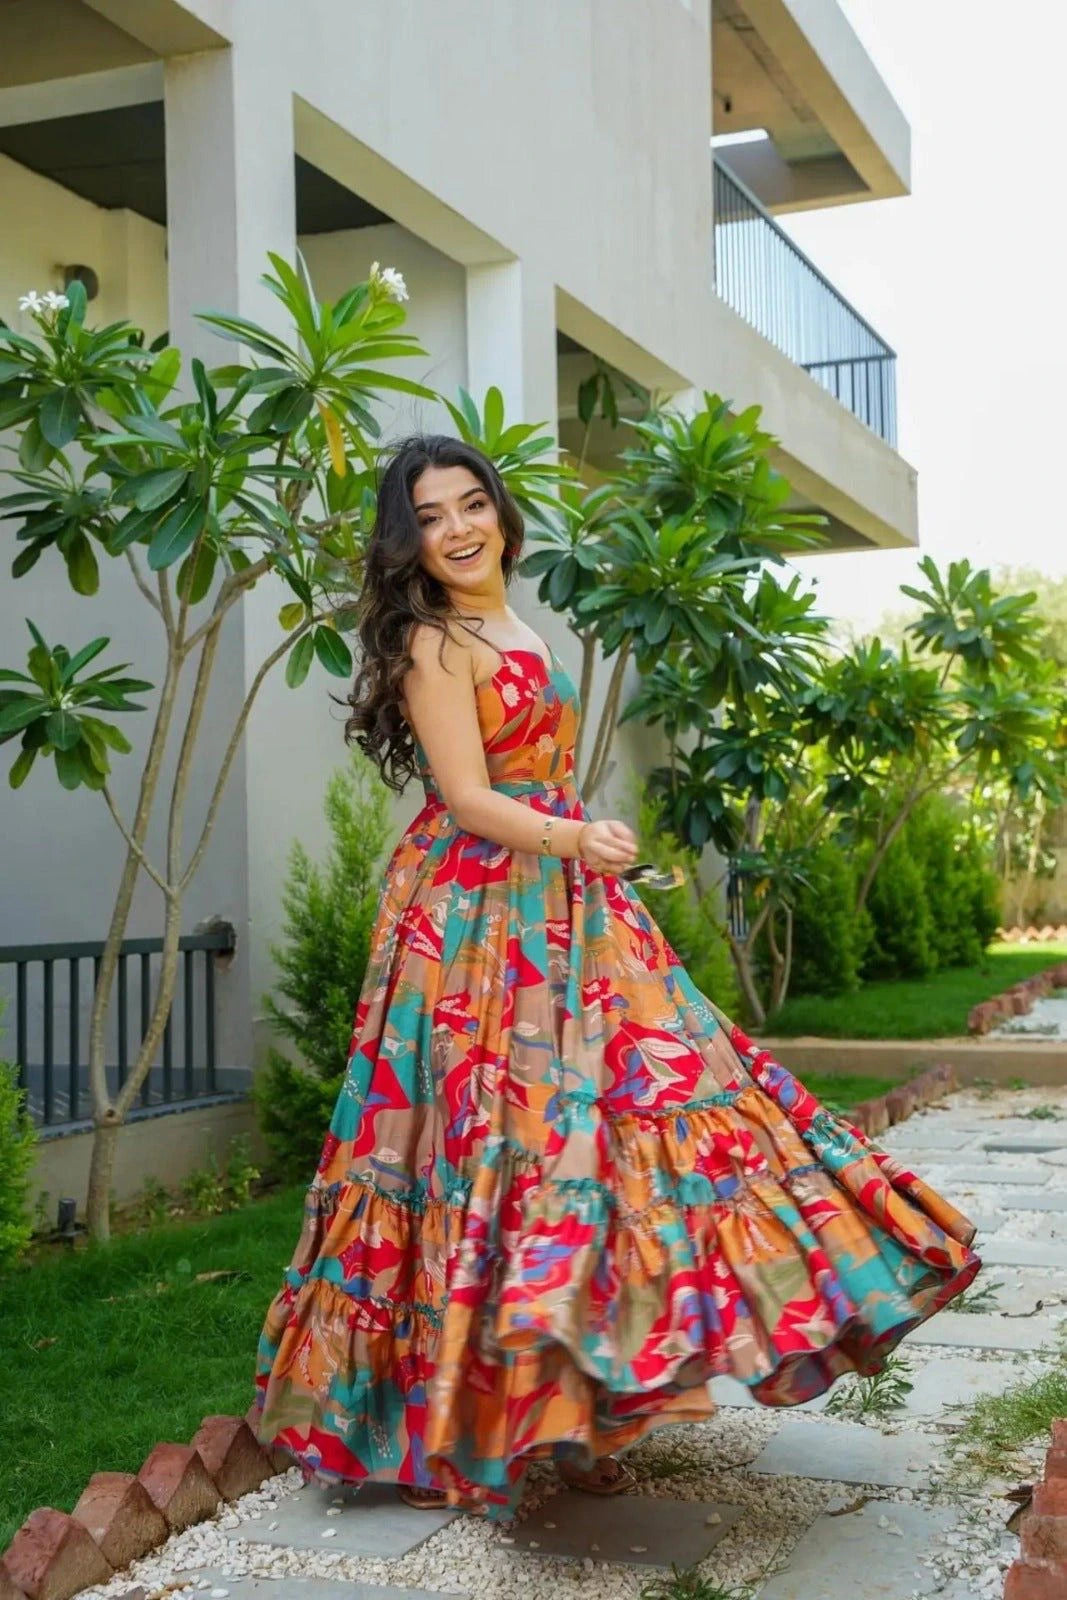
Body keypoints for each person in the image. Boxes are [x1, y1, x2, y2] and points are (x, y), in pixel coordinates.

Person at [254, 433, 981, 1519]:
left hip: (564, 906)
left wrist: (580, 839)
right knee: (498, 1141)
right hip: (473, 921)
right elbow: (465, 798)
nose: (456, 529)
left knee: (641, 1109)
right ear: (407, 540)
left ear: (500, 512)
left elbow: (533, 778)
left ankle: (587, 1402)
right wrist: (576, 837)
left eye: (470, 506)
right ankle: (466, 1424)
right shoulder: (432, 642)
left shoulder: (516, 624)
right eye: (431, 517)